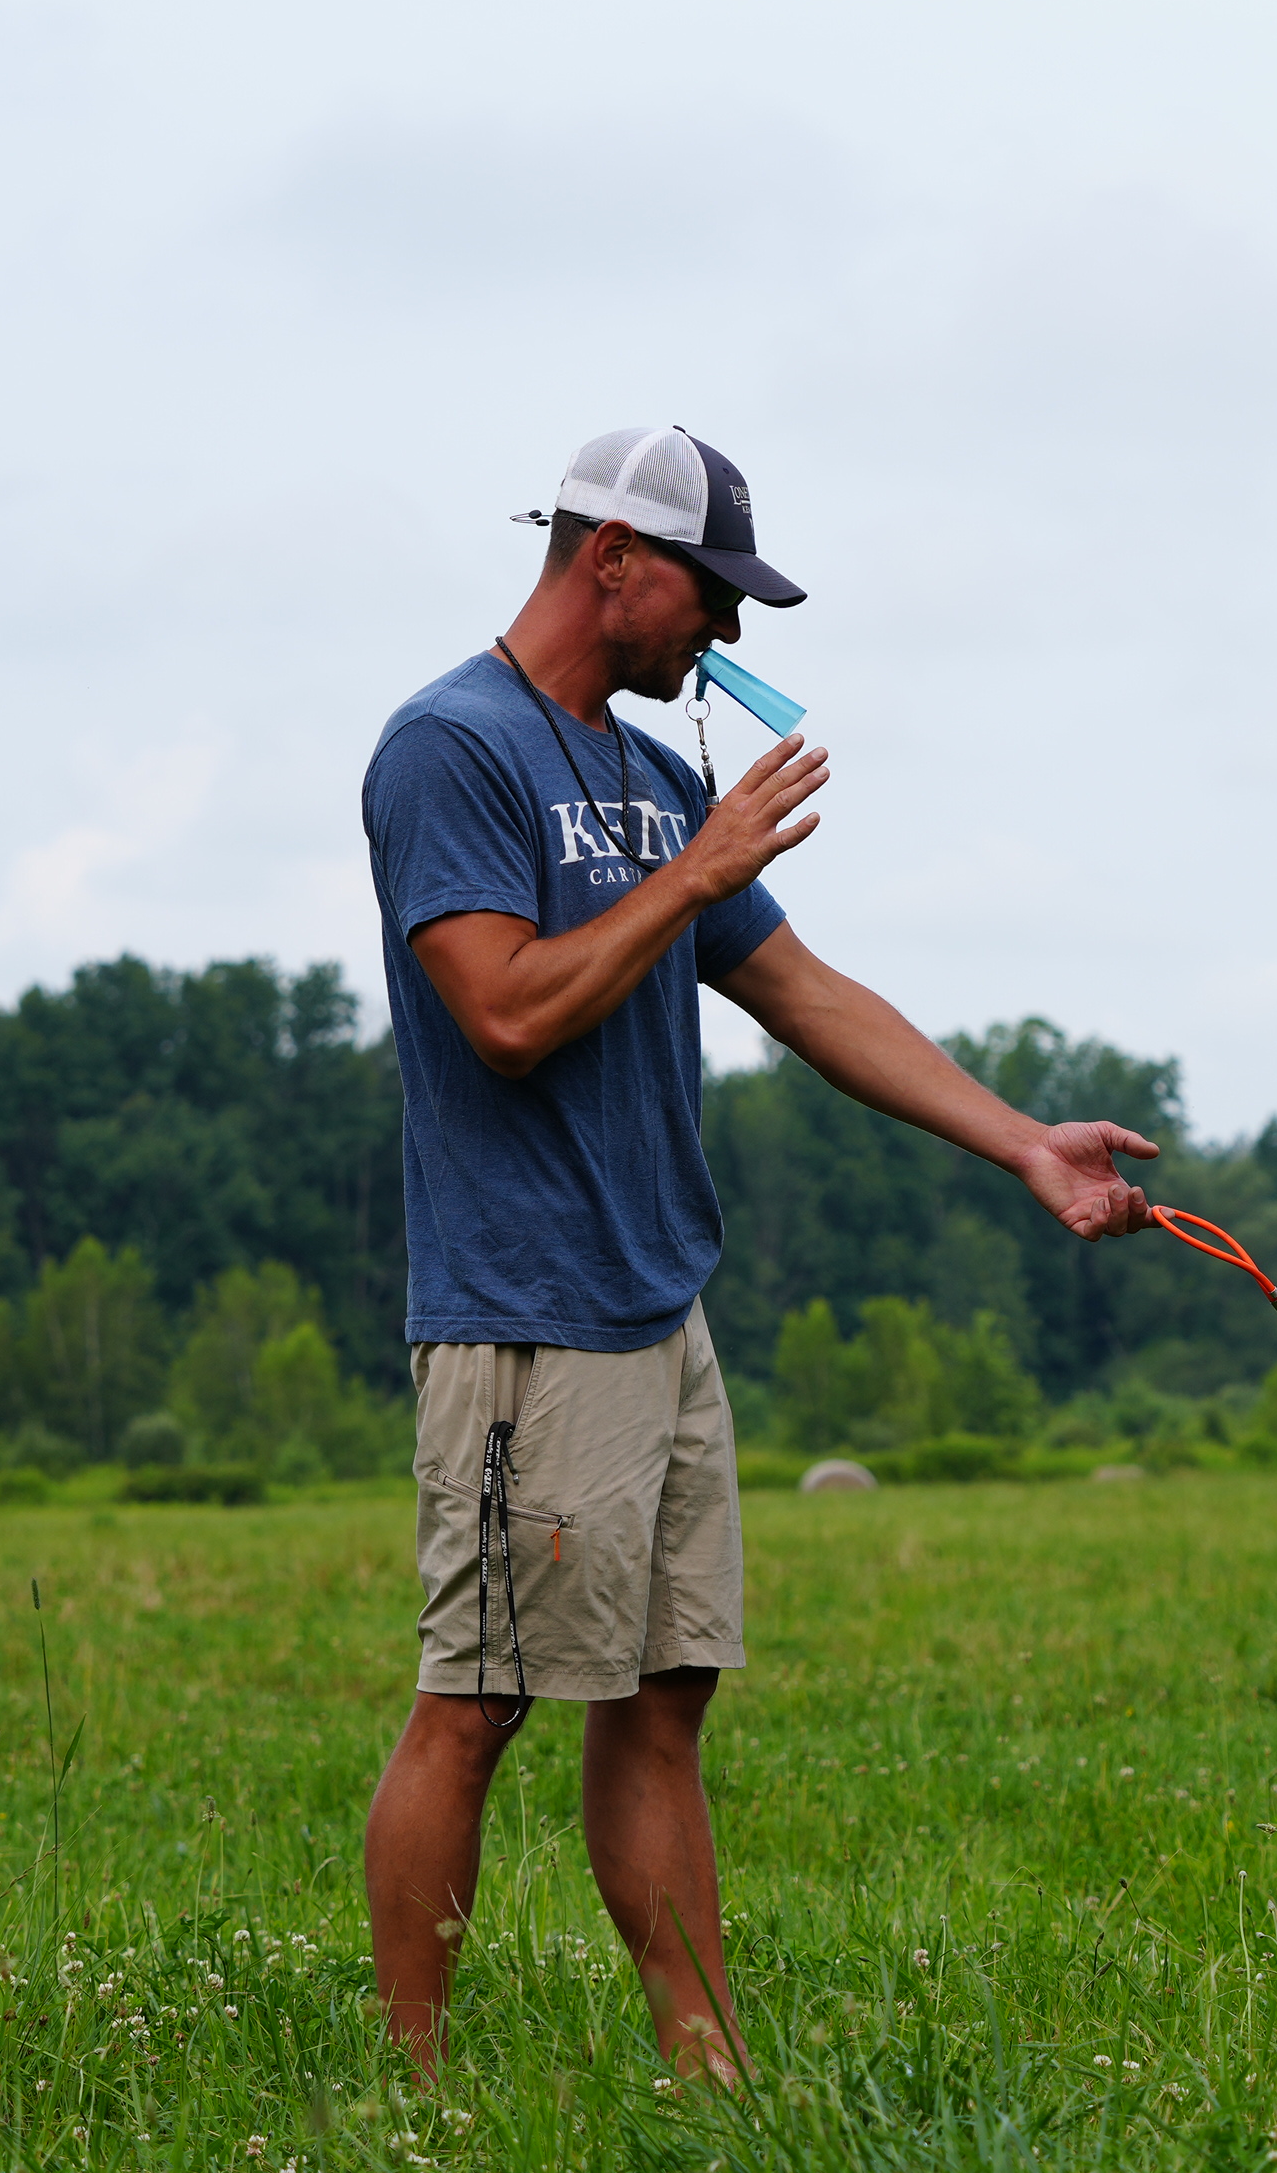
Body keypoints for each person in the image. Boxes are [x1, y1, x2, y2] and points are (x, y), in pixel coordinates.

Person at [358, 424, 1154, 2083]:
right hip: (528, 1318)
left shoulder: (651, 782)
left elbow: (804, 996)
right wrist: (699, 869)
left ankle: (709, 2078)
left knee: (663, 1706)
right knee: (482, 1701)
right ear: (612, 564)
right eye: (710, 599)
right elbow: (503, 1014)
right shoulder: (451, 751)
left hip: (662, 1318)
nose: (725, 640)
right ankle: (411, 2098)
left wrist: (1021, 1141)